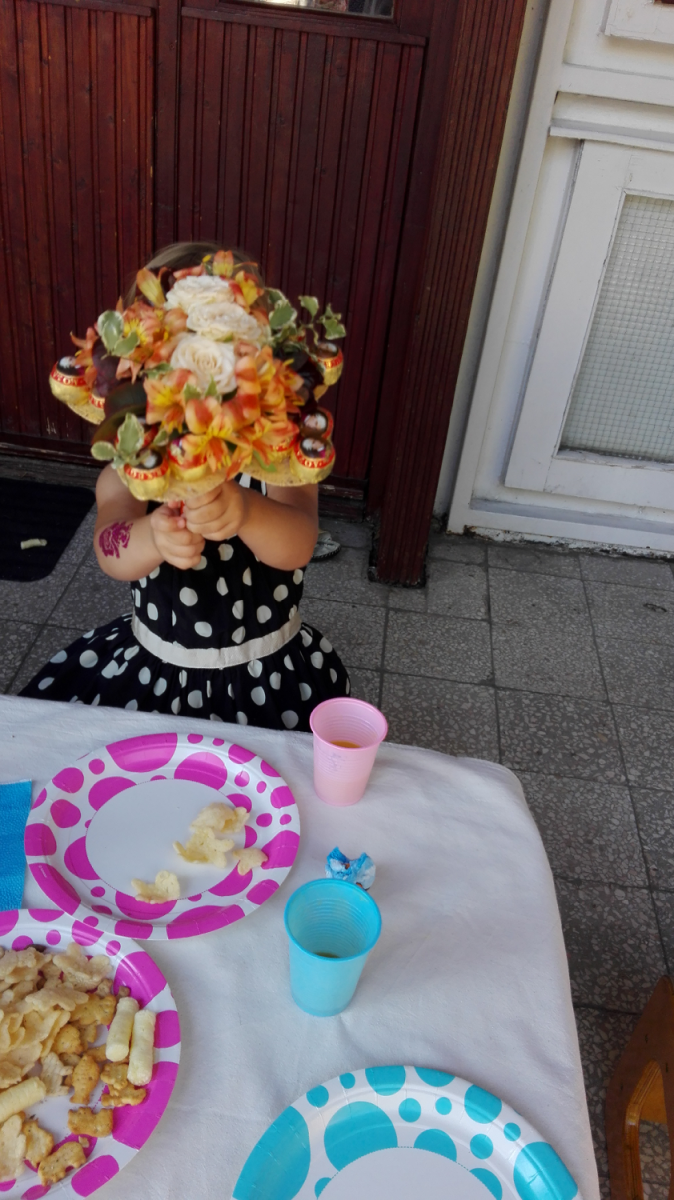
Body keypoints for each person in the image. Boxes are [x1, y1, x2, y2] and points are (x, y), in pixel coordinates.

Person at [21, 245, 350, 730]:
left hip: (267, 675)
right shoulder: (133, 464)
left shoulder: (278, 458)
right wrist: (152, 537)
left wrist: (247, 512)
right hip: (153, 671)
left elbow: (299, 544)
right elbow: (110, 550)